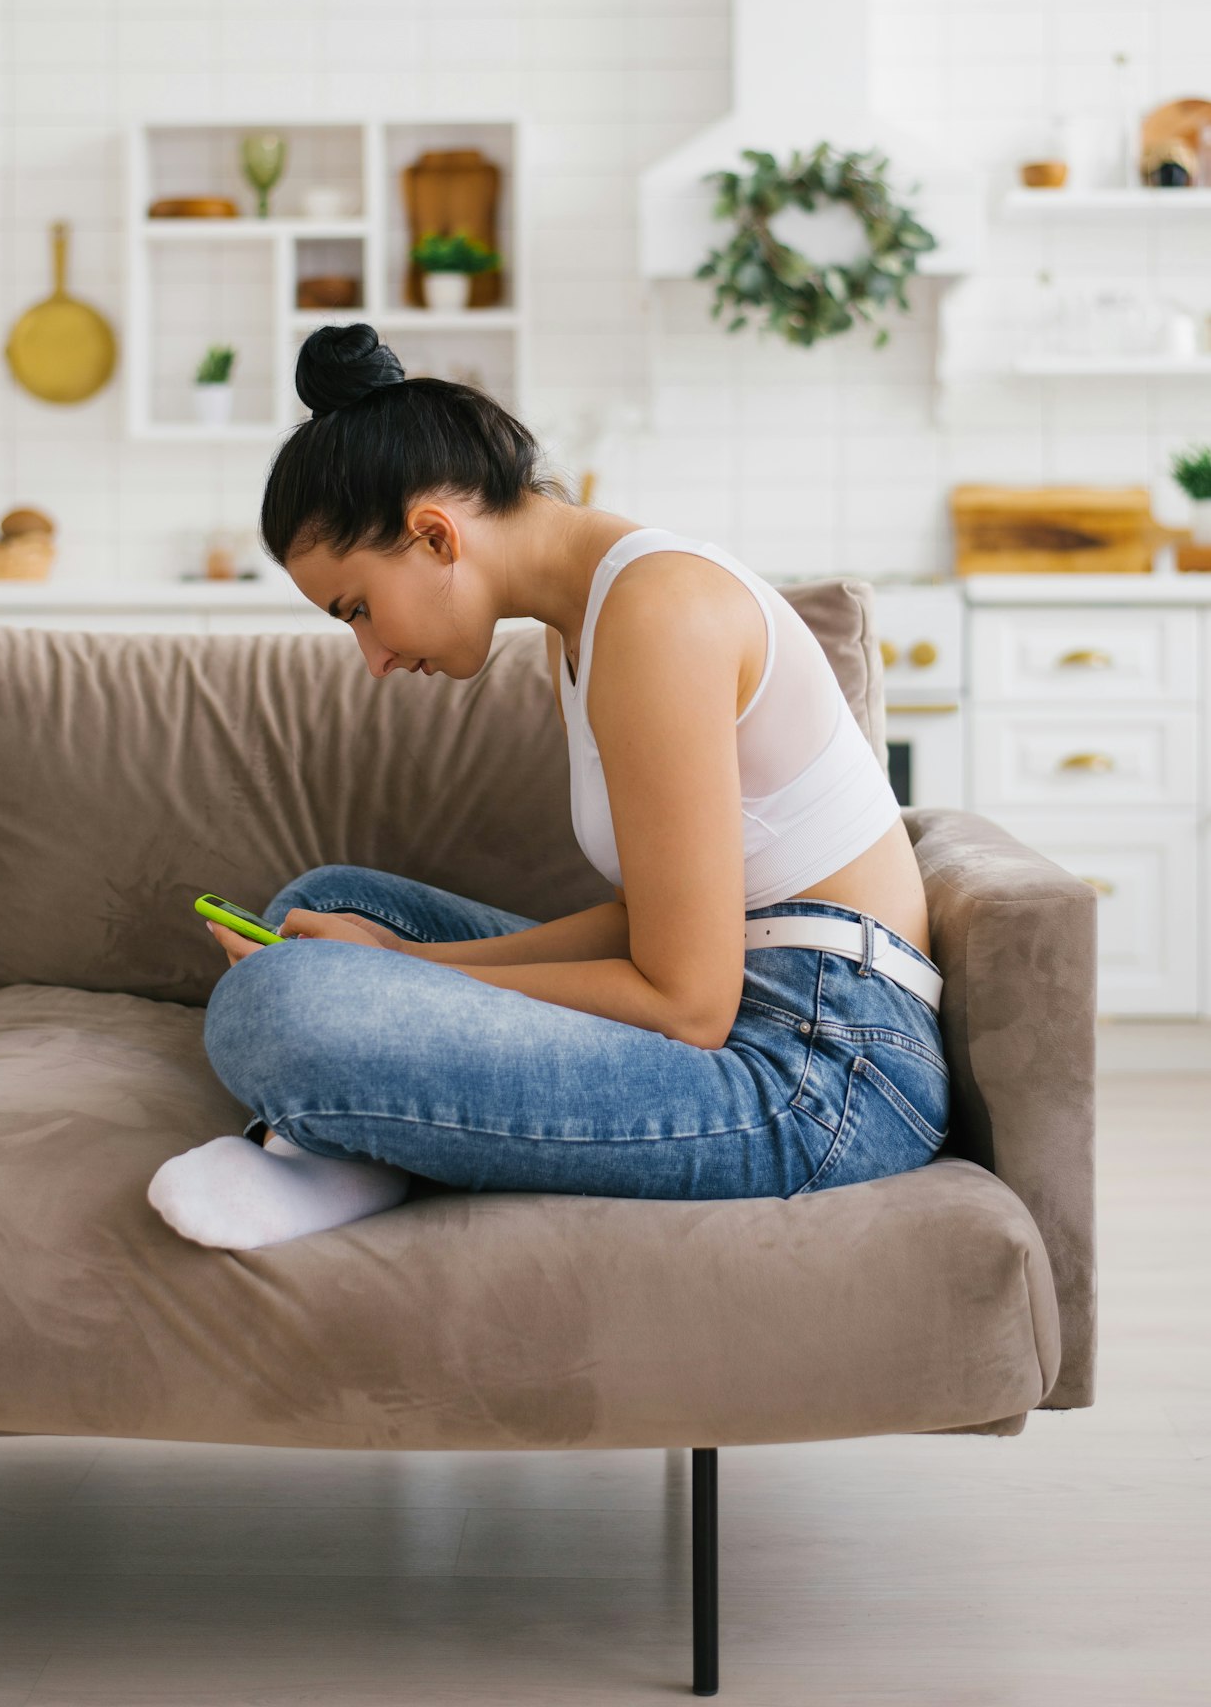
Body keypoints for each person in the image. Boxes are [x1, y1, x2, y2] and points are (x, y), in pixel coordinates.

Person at [147, 323, 950, 1251]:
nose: (369, 657)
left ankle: (335, 1147)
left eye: (358, 609)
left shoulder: (655, 615)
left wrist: (387, 972)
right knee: (325, 906)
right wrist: (375, 953)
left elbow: (687, 1006)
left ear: (434, 534)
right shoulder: (587, 622)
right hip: (756, 990)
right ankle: (354, 1147)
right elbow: (660, 927)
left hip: (823, 1069)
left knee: (280, 1009)